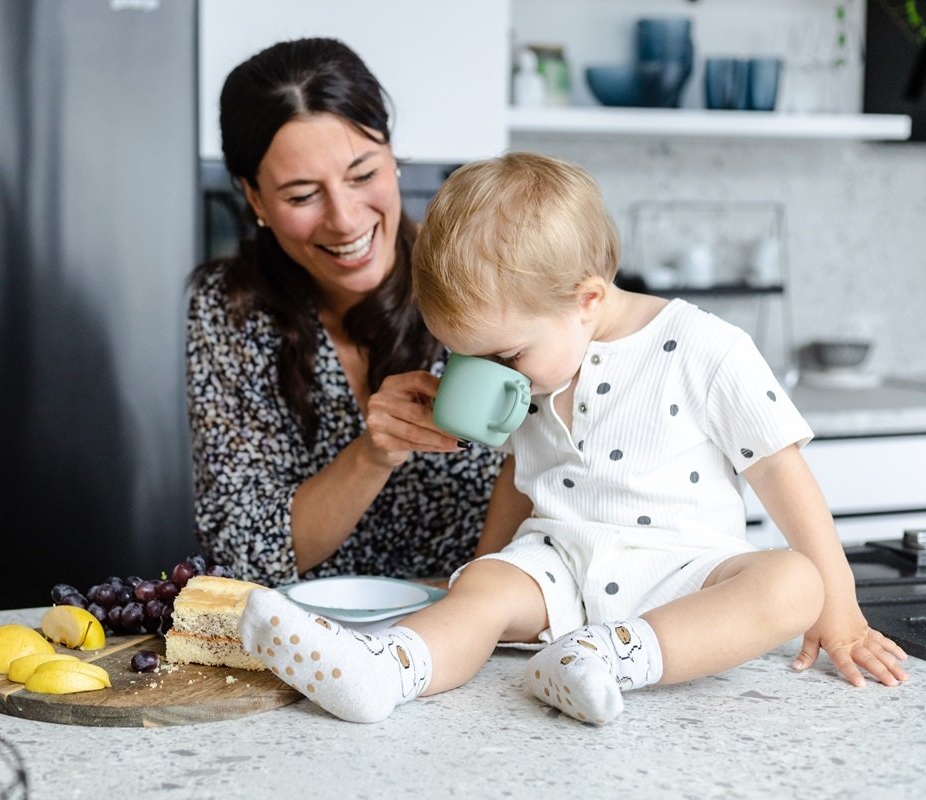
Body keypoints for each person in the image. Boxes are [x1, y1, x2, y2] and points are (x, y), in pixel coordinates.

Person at [237, 151, 910, 725]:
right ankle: (383, 668)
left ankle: (607, 657)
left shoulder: (707, 348)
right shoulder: (539, 356)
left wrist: (843, 615)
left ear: (587, 299)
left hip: (685, 573)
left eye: (505, 356)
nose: (493, 374)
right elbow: (518, 475)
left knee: (794, 583)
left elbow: (786, 478)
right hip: (558, 562)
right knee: (482, 590)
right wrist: (485, 568)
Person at [186, 38, 503, 588]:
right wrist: (371, 454)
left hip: (479, 622)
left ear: (391, 154)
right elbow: (244, 556)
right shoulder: (229, 310)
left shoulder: (482, 274)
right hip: (303, 633)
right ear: (255, 199)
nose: (345, 219)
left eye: (362, 175)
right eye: (302, 195)